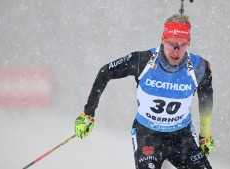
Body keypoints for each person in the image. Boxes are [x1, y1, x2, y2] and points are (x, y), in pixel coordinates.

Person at [74, 14, 214, 169]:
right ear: (162, 40)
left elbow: (206, 100)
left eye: (181, 45)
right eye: (171, 44)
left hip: (182, 138)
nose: (176, 51)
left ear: (189, 43)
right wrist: (88, 113)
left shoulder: (199, 67)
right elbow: (105, 72)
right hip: (147, 136)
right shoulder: (143, 61)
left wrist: (205, 135)